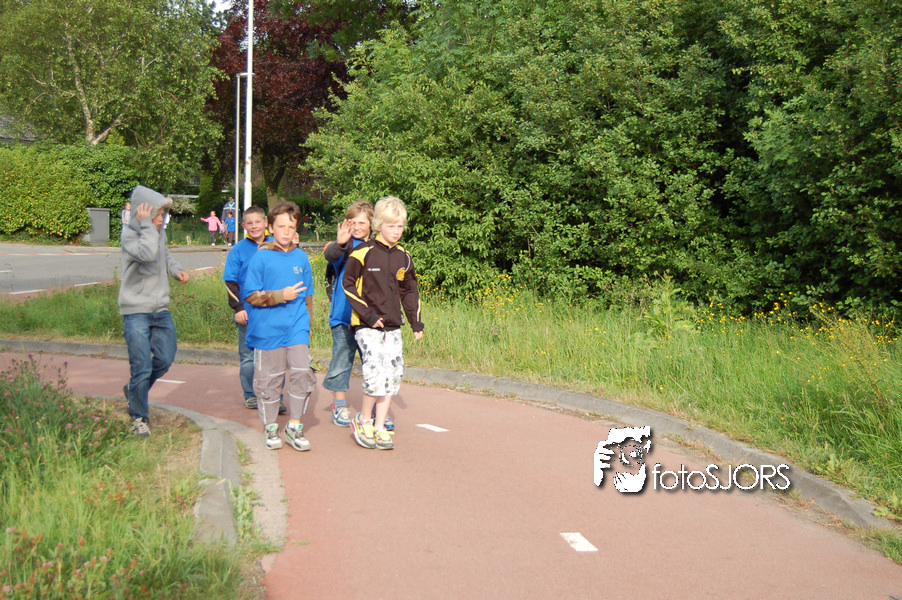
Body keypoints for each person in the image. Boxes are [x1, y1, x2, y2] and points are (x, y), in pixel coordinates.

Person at [342, 196, 424, 450]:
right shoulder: (362, 253)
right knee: (375, 372)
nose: (396, 231)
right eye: (391, 226)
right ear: (378, 225)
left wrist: (416, 323)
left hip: (393, 326)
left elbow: (410, 291)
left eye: (400, 226)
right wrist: (368, 316)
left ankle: (379, 426)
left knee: (391, 375)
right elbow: (348, 285)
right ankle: (364, 420)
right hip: (366, 325)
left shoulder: (404, 257)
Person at [244, 202, 316, 451]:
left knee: (302, 372)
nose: (286, 231)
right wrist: (280, 295)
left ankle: (294, 426)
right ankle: (271, 426)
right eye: (281, 226)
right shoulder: (261, 257)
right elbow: (251, 295)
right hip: (268, 330)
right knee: (271, 379)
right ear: (271, 227)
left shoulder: (301, 257)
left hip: (296, 326)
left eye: (291, 227)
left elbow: (308, 295)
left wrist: (308, 323)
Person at [119, 185, 190, 437]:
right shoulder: (129, 235)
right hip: (136, 310)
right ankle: (139, 417)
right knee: (141, 366)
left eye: (163, 214)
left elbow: (164, 255)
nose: (162, 219)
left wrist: (177, 270)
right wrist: (147, 225)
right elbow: (148, 254)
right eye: (158, 214)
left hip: (160, 309)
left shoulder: (158, 233)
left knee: (165, 359)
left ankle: (134, 391)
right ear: (144, 213)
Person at [322, 200, 375, 428]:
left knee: (372, 363)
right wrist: (340, 242)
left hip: (369, 318)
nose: (357, 227)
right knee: (342, 360)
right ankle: (339, 405)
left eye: (362, 222)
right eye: (352, 222)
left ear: (372, 224)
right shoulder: (344, 246)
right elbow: (331, 255)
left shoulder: (377, 247)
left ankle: (373, 409)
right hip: (343, 316)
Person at [223, 205, 273, 410]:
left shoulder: (276, 245)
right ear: (243, 226)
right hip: (248, 314)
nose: (254, 226)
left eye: (258, 222)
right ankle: (250, 394)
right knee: (248, 358)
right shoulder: (238, 250)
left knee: (274, 357)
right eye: (249, 223)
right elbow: (230, 281)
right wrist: (238, 308)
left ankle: (274, 396)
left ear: (266, 223)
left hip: (273, 313)